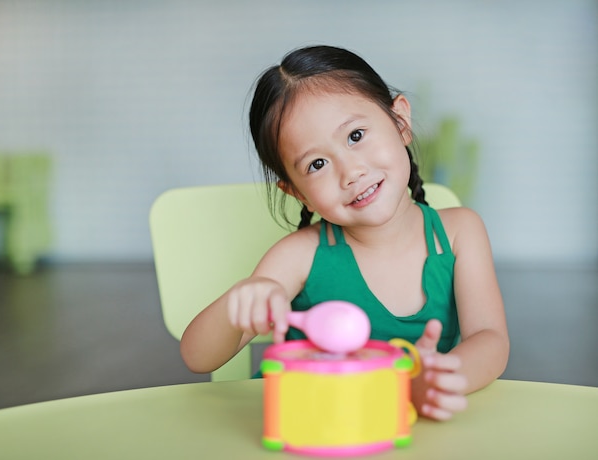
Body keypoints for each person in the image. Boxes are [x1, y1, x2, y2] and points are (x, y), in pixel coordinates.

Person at [180, 45, 509, 421]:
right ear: (297, 191)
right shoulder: (297, 256)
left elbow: (490, 340)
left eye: (355, 136)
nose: (350, 171)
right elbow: (197, 357)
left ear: (400, 121)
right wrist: (242, 299)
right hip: (311, 426)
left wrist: (434, 380)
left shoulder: (458, 233)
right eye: (317, 163)